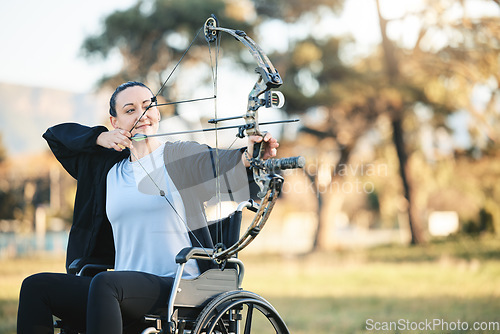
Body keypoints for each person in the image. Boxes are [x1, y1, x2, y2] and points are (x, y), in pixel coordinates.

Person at [17, 81, 279, 333]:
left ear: (157, 113)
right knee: (35, 287)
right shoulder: (106, 169)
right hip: (117, 289)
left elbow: (215, 161)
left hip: (177, 285)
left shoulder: (178, 156)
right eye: (130, 110)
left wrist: (248, 155)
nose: (141, 114)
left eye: (147, 106)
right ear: (115, 123)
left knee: (106, 284)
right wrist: (99, 138)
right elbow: (56, 136)